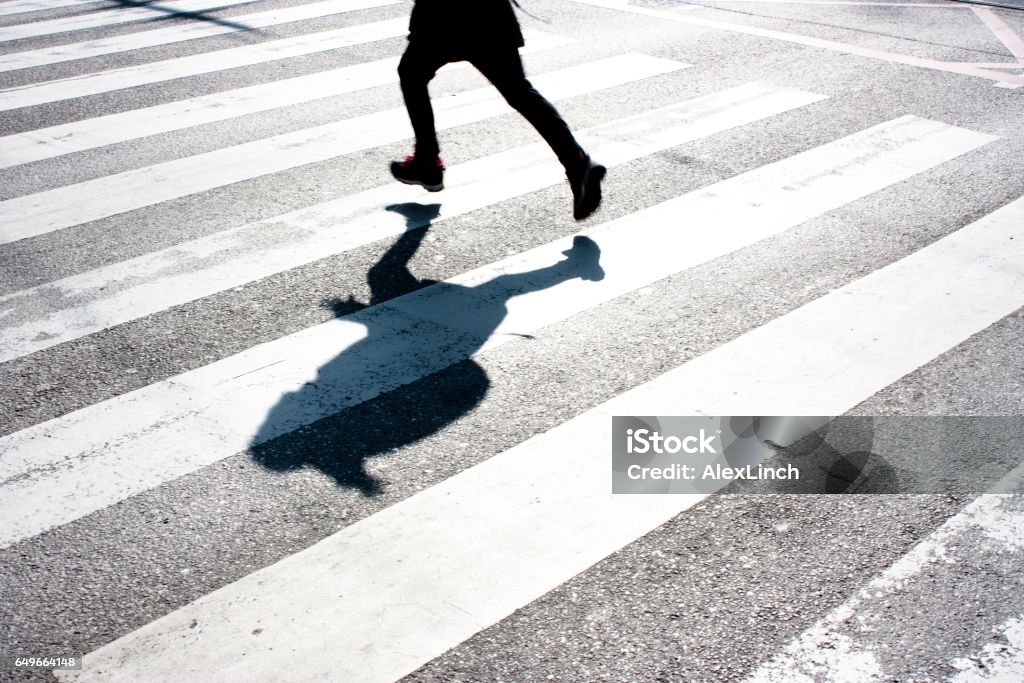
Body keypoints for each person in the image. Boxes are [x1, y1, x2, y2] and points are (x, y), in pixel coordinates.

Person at [390, 0, 606, 220]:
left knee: (412, 74)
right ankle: (577, 163)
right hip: (489, 15)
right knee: (518, 91)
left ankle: (427, 161)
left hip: (445, 15)